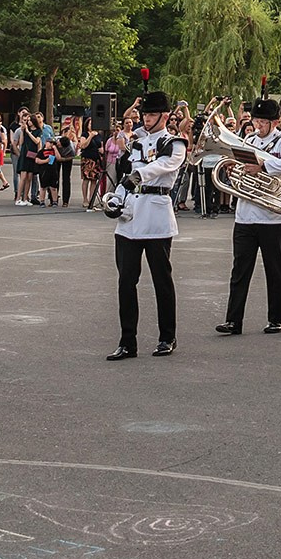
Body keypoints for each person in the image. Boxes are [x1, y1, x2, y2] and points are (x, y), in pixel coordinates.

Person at [107, 87, 185, 360]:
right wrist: (115, 200)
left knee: (161, 281)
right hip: (129, 218)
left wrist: (137, 176)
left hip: (156, 218)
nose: (146, 118)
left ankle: (167, 337)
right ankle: (127, 341)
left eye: (152, 114)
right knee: (126, 282)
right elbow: (125, 176)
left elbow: (162, 166)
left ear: (164, 115)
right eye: (145, 114)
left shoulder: (174, 144)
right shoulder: (137, 141)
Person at [215, 96, 281, 337]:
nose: (258, 125)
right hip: (246, 215)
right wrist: (235, 171)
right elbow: (241, 171)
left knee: (275, 269)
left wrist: (262, 166)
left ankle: (277, 318)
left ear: (274, 123)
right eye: (256, 120)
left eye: (263, 121)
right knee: (239, 269)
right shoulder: (249, 139)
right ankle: (233, 320)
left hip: (273, 215)